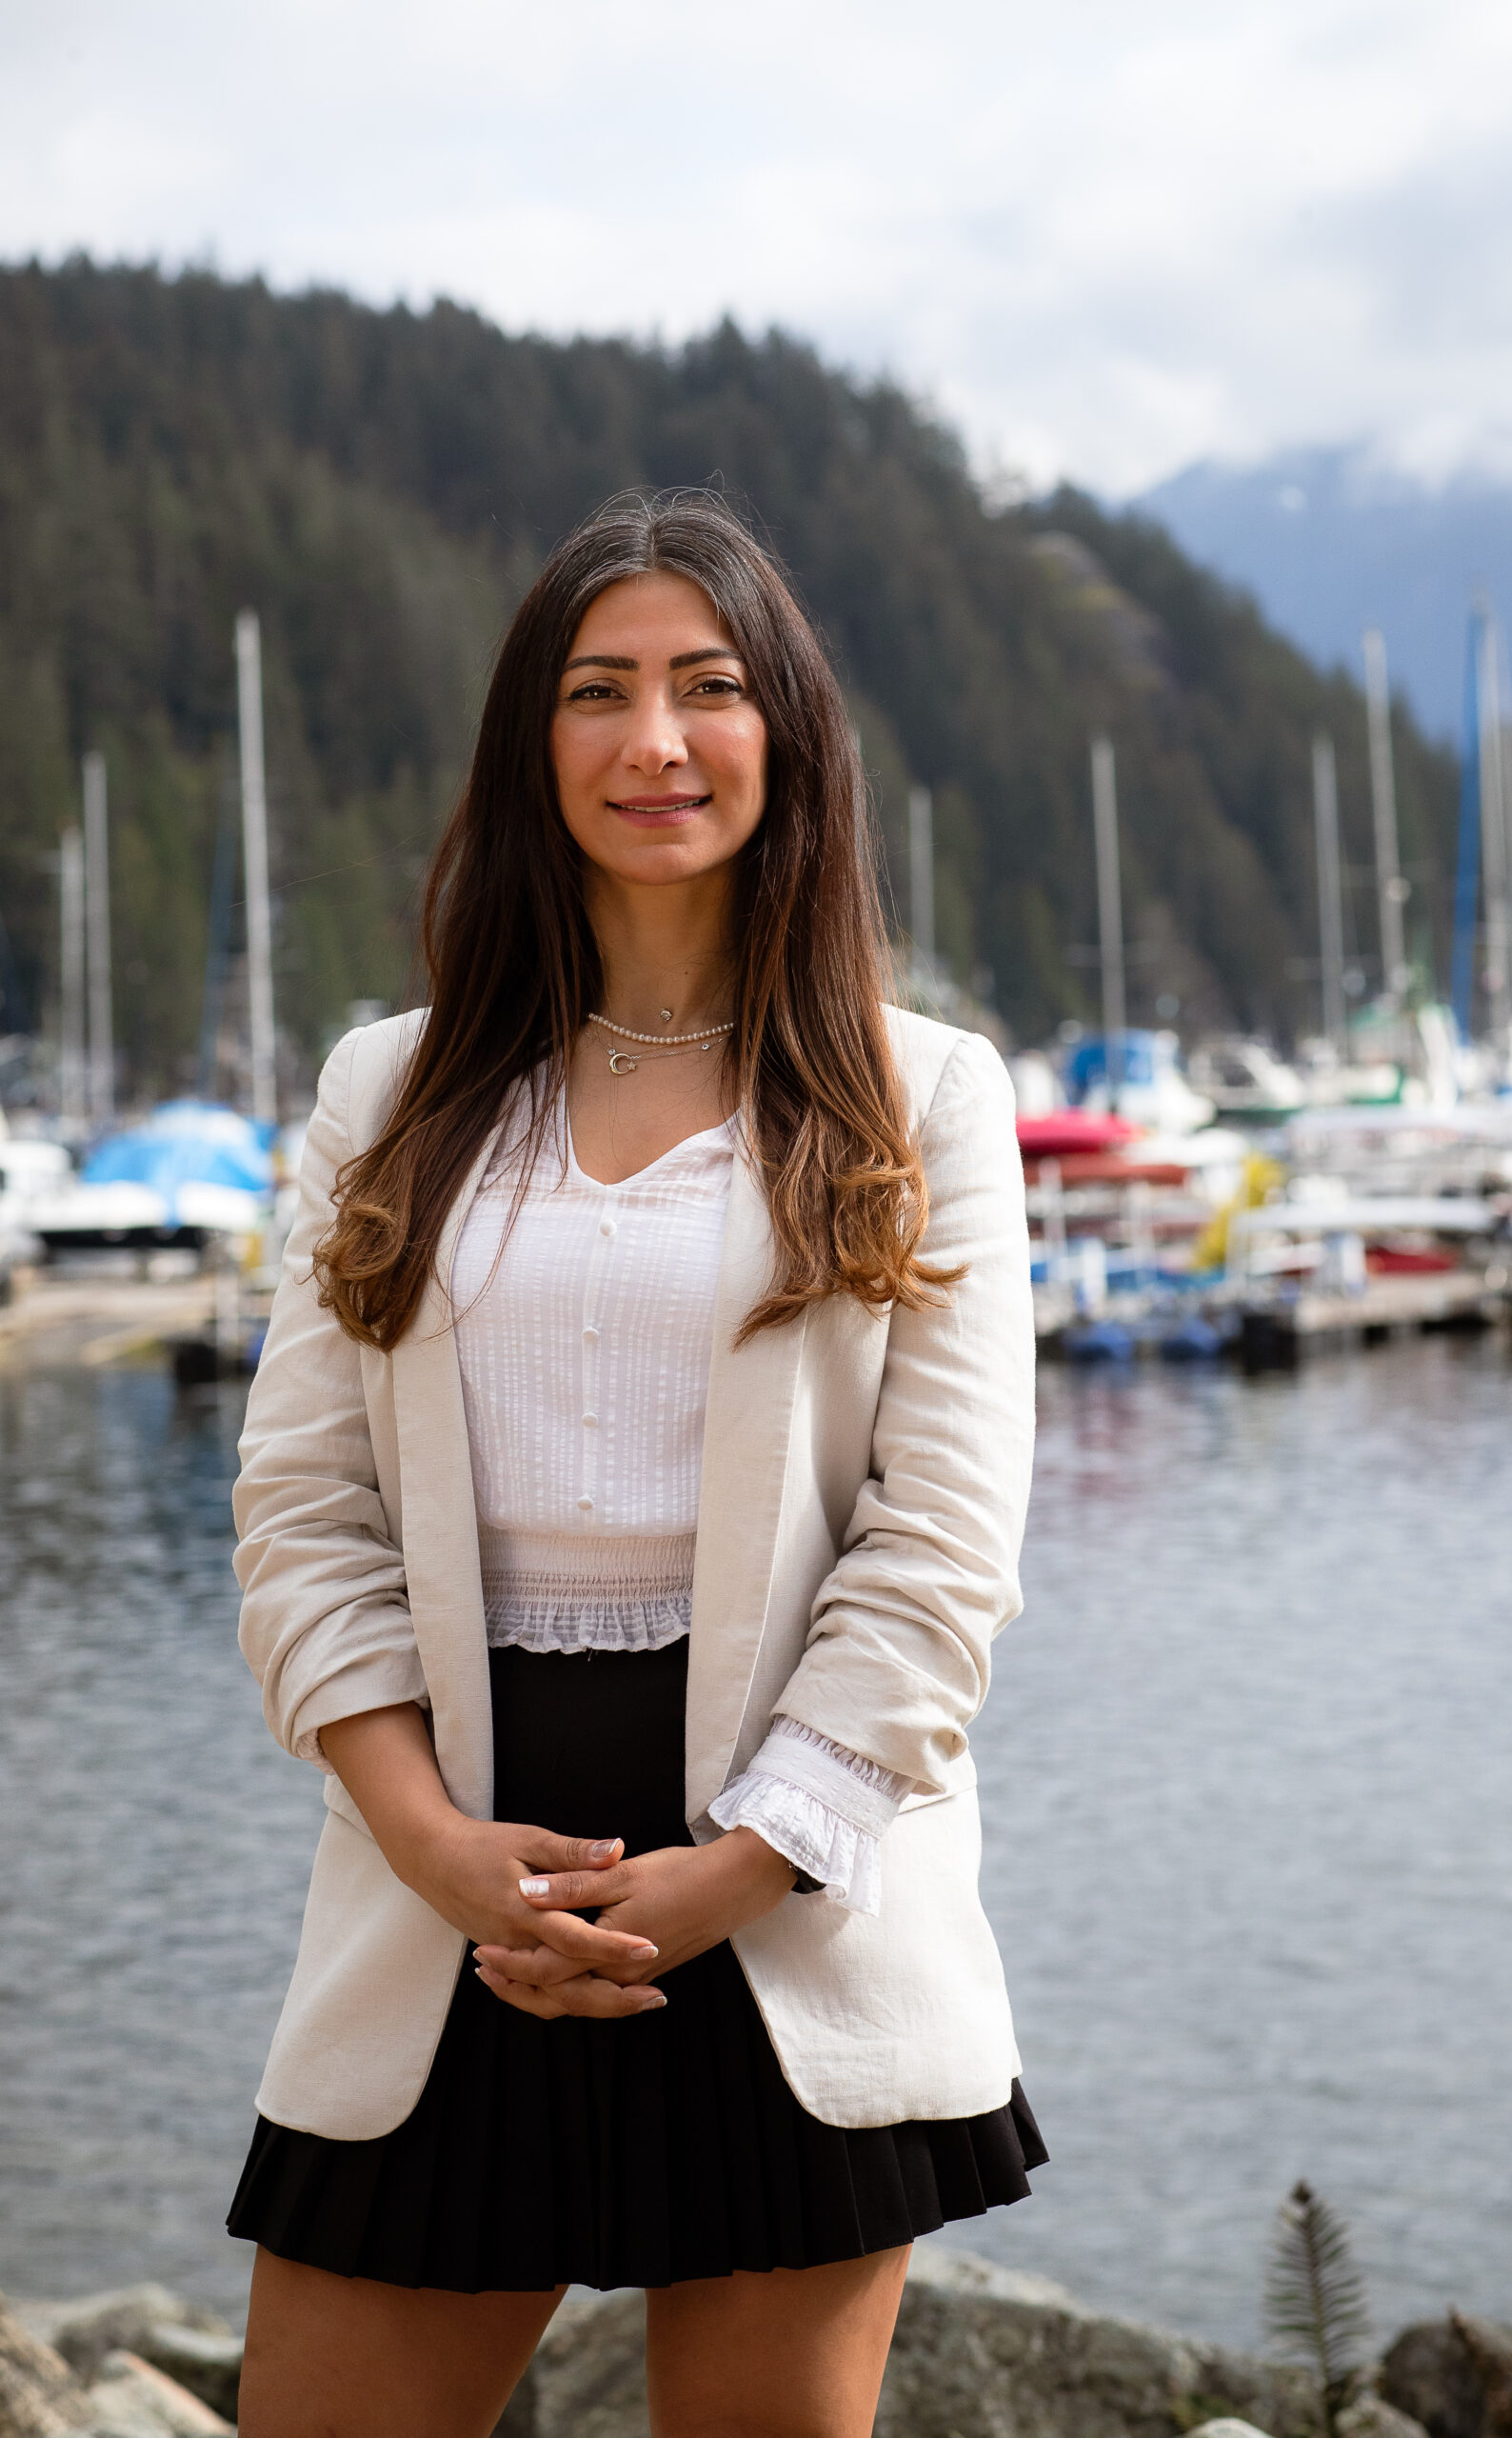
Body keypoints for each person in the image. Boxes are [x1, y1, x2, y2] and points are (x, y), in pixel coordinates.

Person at [228, 490, 1043, 2438]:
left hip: (787, 1907)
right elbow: (300, 1514)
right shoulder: (389, 1091)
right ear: (533, 741)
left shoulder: (919, 1090)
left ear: (786, 734)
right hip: (445, 1913)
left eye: (705, 686)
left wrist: (730, 1870)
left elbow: (936, 1561)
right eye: (597, 691)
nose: (652, 740)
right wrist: (434, 1849)